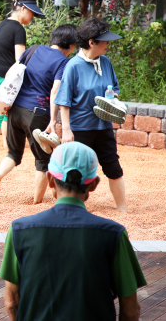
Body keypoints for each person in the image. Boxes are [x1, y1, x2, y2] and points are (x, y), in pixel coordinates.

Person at [0, 142, 146, 321]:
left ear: (50, 180)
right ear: (94, 184)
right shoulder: (114, 234)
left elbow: (12, 302)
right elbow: (130, 311)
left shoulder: (19, 230)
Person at [0, 25, 77, 207]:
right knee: (42, 160)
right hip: (37, 113)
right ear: (71, 46)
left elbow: (11, 73)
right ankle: (36, 202)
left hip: (15, 109)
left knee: (13, 154)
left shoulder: (34, 49)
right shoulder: (63, 62)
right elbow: (55, 90)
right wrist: (52, 120)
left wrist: (5, 102)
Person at [54, 19, 128, 213]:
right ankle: (70, 210)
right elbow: (64, 100)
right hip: (80, 129)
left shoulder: (106, 62)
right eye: (104, 41)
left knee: (113, 167)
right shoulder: (73, 66)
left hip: (103, 127)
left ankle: (123, 210)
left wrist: (113, 101)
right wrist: (67, 131)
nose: (108, 44)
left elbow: (115, 89)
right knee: (75, 171)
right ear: (91, 42)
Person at [0, 0, 46, 154]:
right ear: (23, 8)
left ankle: (7, 146)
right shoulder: (18, 29)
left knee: (6, 112)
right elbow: (19, 61)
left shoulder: (3, 24)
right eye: (32, 13)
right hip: (0, 76)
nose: (32, 17)